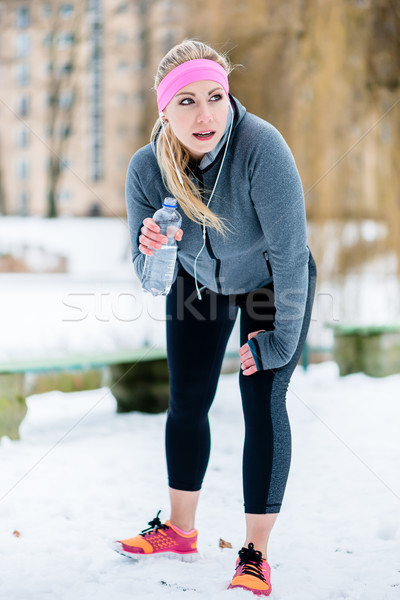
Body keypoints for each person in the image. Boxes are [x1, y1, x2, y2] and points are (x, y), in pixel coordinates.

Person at [114, 39, 317, 597]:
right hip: (199, 283)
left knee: (262, 400)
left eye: (215, 97)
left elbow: (291, 253)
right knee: (187, 400)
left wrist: (278, 339)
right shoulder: (146, 169)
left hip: (274, 281)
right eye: (186, 102)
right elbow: (153, 281)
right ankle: (180, 531)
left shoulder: (260, 148)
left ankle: (254, 554)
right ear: (164, 110)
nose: (204, 114)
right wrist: (156, 249)